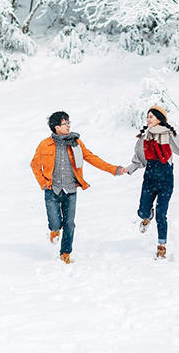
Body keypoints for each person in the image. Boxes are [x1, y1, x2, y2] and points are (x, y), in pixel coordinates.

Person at [30, 111, 126, 264]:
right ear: (56, 127)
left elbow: (91, 157)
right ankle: (54, 230)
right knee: (55, 223)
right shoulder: (44, 145)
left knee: (69, 223)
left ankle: (65, 253)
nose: (69, 125)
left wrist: (113, 169)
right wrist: (43, 183)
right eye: (65, 123)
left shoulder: (76, 143)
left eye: (69, 122)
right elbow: (34, 165)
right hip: (52, 190)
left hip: (70, 190)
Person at [126, 105, 179, 259]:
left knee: (161, 214)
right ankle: (147, 216)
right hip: (150, 178)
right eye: (147, 116)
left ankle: (161, 246)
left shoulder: (169, 134)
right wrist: (129, 168)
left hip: (166, 178)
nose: (148, 119)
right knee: (142, 211)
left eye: (151, 116)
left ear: (159, 118)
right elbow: (139, 159)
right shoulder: (144, 137)